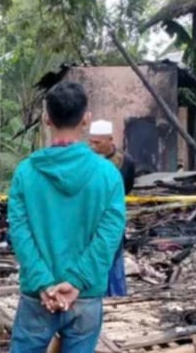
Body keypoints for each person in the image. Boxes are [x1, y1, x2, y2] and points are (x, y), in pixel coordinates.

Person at [8, 82, 126, 353]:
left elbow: (20, 234)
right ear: (86, 120)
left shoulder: (25, 173)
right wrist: (75, 283)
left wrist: (43, 284)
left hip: (38, 297)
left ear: (47, 119)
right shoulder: (108, 175)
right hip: (85, 296)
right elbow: (109, 237)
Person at [88, 119, 135, 297]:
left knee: (114, 257)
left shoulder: (125, 162)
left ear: (110, 139)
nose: (93, 146)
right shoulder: (87, 161)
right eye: (90, 142)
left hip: (113, 215)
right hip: (91, 216)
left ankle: (116, 295)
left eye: (97, 142)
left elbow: (128, 187)